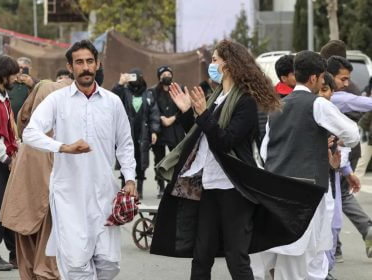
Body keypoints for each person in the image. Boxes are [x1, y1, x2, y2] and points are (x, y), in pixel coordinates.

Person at [151, 40, 327, 280]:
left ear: (229, 65)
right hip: (209, 187)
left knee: (237, 258)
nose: (211, 65)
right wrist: (187, 113)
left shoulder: (245, 101)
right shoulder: (217, 97)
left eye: (215, 60)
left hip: (235, 190)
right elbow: (200, 136)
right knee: (201, 257)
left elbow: (224, 141)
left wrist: (202, 114)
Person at [22, 40, 137, 279]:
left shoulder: (112, 102)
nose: (85, 67)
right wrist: (63, 147)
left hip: (105, 192)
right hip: (68, 196)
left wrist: (130, 179)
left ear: (97, 64)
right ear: (70, 66)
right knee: (75, 264)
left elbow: (125, 144)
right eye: (79, 62)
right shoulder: (57, 100)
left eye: (89, 61)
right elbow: (29, 133)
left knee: (109, 262)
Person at [252, 50, 359, 280]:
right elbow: (352, 134)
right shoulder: (318, 105)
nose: (322, 82)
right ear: (313, 78)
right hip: (307, 193)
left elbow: (264, 151)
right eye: (322, 78)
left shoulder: (277, 106)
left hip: (276, 192)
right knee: (303, 261)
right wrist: (332, 140)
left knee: (280, 257)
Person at [0, 78, 73, 280]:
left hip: (24, 192)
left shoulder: (31, 131)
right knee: (48, 239)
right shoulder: (56, 135)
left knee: (26, 240)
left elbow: (22, 118)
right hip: (47, 197)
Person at [325, 55, 372, 259]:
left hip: (340, 157)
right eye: (342, 79)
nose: (347, 84)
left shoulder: (335, 95)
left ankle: (334, 248)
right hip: (333, 159)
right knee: (336, 198)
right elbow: (360, 103)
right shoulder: (330, 97)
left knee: (338, 197)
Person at [111, 69, 160, 199]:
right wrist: (120, 83)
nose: (134, 79)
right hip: (127, 132)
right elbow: (113, 99)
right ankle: (124, 189)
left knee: (141, 162)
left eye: (136, 77)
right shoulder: (124, 92)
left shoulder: (148, 94)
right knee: (126, 159)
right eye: (131, 77)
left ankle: (139, 190)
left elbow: (154, 114)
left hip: (143, 133)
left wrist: (154, 131)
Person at [0, 55, 19, 271]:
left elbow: (10, 130)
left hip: (6, 159)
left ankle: (15, 253)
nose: (16, 78)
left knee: (9, 207)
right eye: (14, 74)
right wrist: (6, 157)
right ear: (3, 75)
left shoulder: (4, 96)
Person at [150, 66, 187, 198]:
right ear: (159, 77)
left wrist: (173, 118)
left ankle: (176, 184)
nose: (167, 76)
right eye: (164, 74)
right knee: (159, 160)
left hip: (175, 129)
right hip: (160, 131)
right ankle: (161, 186)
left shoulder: (178, 89)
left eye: (169, 74)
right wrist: (161, 118)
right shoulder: (153, 91)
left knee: (177, 158)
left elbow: (184, 108)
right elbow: (151, 108)